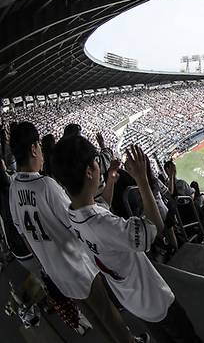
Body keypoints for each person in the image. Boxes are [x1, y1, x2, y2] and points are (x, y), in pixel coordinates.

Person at [53, 138, 202, 343]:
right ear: (89, 171)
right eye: (96, 163)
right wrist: (142, 179)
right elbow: (154, 228)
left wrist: (112, 179)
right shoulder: (103, 225)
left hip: (132, 300)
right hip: (155, 300)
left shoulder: (73, 214)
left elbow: (101, 204)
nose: (99, 167)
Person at [8, 122, 137, 343]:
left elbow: (23, 234)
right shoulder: (46, 185)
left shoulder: (13, 188)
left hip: (54, 272)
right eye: (38, 145)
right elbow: (76, 222)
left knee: (94, 318)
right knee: (108, 313)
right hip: (78, 266)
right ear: (33, 149)